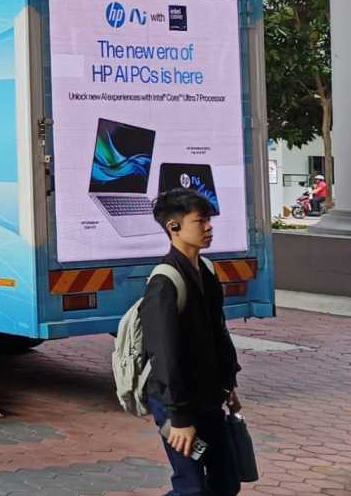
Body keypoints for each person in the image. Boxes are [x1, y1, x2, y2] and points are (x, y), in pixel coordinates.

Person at [141, 188, 244, 496]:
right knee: (192, 488)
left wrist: (229, 385)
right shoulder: (164, 283)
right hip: (178, 403)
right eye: (201, 221)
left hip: (209, 397)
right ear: (174, 228)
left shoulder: (207, 270)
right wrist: (180, 419)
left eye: (209, 220)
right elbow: (165, 357)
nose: (209, 227)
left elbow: (218, 334)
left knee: (227, 482)